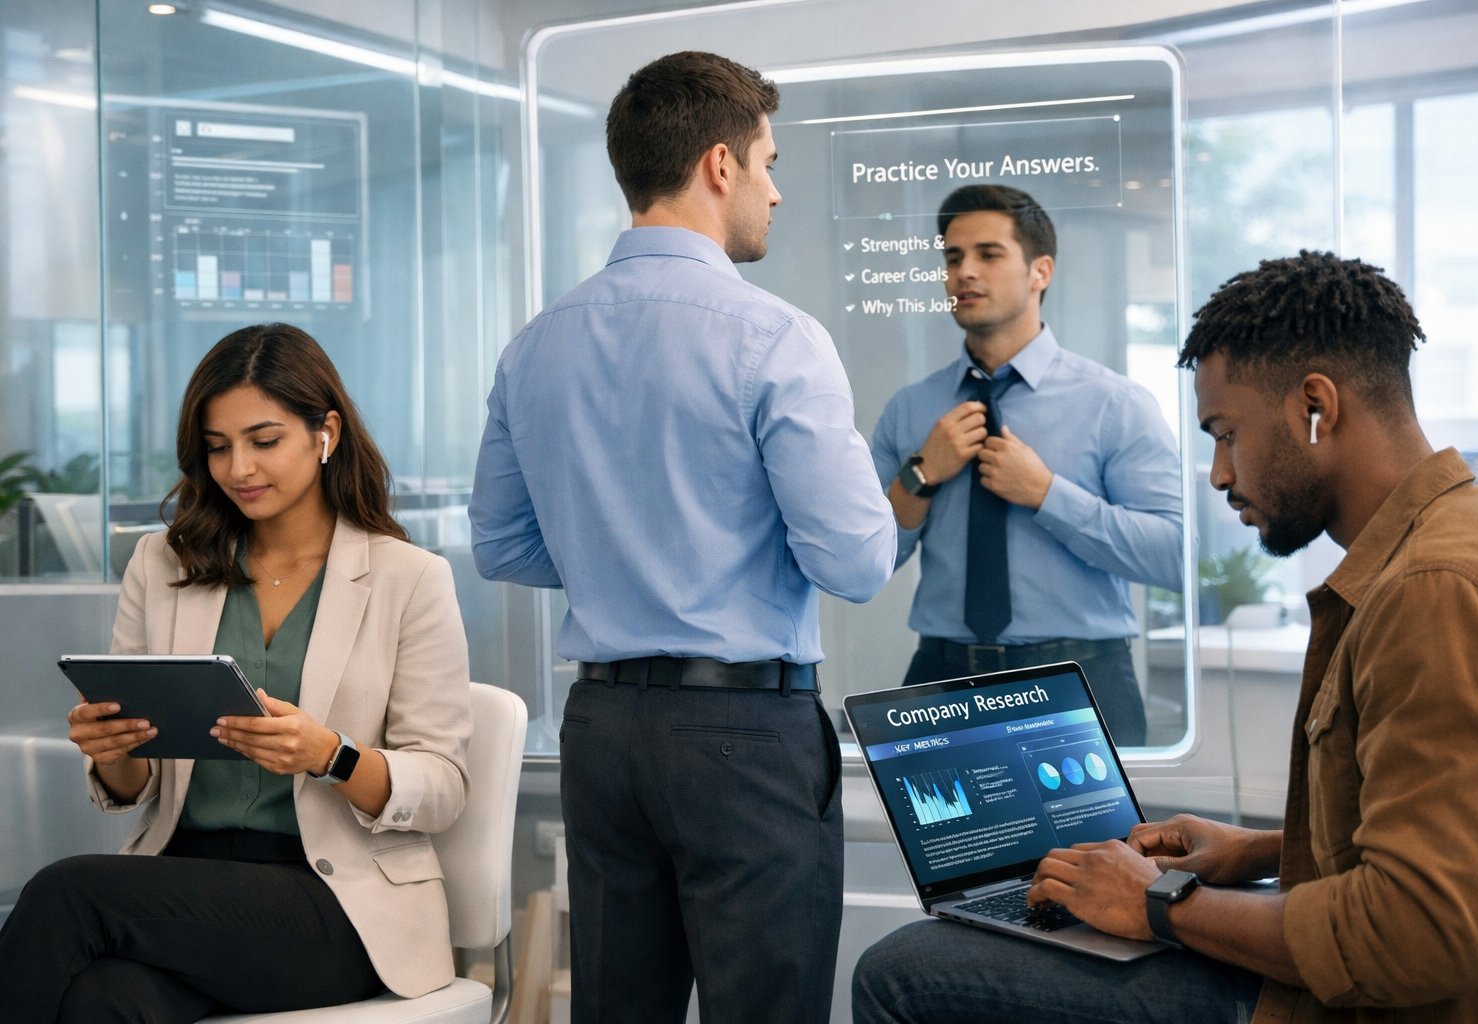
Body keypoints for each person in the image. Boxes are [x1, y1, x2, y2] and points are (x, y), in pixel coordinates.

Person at [852, 250, 1478, 1024]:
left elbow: (1420, 935)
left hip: (1348, 1007)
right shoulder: (1460, 545)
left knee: (902, 972)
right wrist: (1255, 852)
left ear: (1317, 406)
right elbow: (1469, 828)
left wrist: (1161, 902)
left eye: (1225, 433)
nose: (1217, 473)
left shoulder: (1435, 594)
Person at [469, 50, 895, 1024]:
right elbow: (858, 560)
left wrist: (622, 562)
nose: (777, 193)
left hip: (605, 734)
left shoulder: (534, 345)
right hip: (745, 737)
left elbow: (499, 544)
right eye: (769, 163)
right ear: (719, 165)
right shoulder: (777, 337)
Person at [0, 323, 472, 1021]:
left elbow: (443, 788)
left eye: (264, 440)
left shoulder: (409, 579)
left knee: (67, 893)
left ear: (326, 433)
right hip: (185, 887)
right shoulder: (163, 566)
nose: (239, 469)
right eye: (217, 448)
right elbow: (134, 789)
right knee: (108, 1000)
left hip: (332, 904)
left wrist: (330, 756)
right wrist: (117, 753)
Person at [871, 184, 1182, 745]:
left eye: (988, 255)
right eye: (952, 257)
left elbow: (1175, 555)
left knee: (1100, 840)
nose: (964, 272)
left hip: (1080, 682)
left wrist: (1047, 495)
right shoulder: (912, 409)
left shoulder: (1114, 404)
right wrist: (919, 474)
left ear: (1040, 271)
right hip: (942, 679)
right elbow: (864, 559)